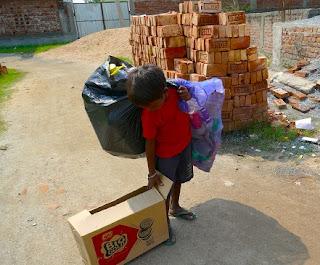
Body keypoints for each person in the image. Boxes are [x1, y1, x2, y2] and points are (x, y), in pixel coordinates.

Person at [127, 64, 196, 245]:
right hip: (166, 156)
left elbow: (195, 109)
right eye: (144, 107)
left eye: (150, 105)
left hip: (184, 145)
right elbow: (149, 144)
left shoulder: (178, 92)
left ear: (164, 92)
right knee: (163, 191)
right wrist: (151, 172)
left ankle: (176, 207)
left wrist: (188, 98)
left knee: (179, 179)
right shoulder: (148, 115)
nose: (148, 109)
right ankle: (164, 223)